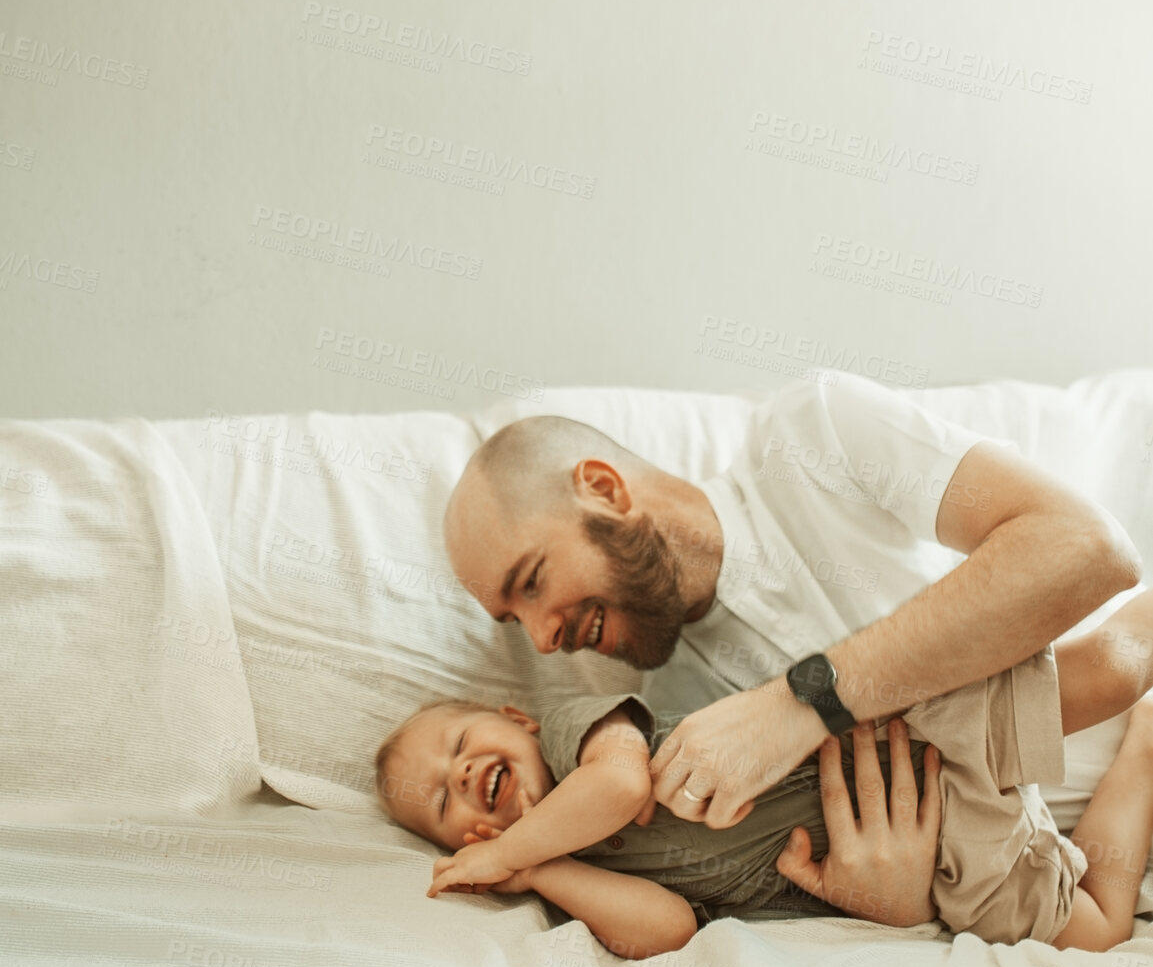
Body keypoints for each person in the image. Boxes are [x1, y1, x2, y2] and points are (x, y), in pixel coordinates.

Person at [441, 379, 1142, 901]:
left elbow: (1087, 549)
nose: (541, 640)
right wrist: (893, 906)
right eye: (513, 621)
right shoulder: (681, 735)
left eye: (531, 582)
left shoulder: (812, 438)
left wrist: (800, 703)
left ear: (603, 488)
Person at [374, 585, 1153, 958]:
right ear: (467, 833)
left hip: (897, 741)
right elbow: (668, 928)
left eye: (459, 739)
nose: (461, 768)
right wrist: (536, 872)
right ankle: (1145, 749)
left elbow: (619, 787)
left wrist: (507, 850)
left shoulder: (578, 737)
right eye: (441, 799)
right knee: (1095, 928)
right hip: (942, 865)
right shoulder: (567, 867)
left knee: (1112, 669)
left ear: (516, 718)